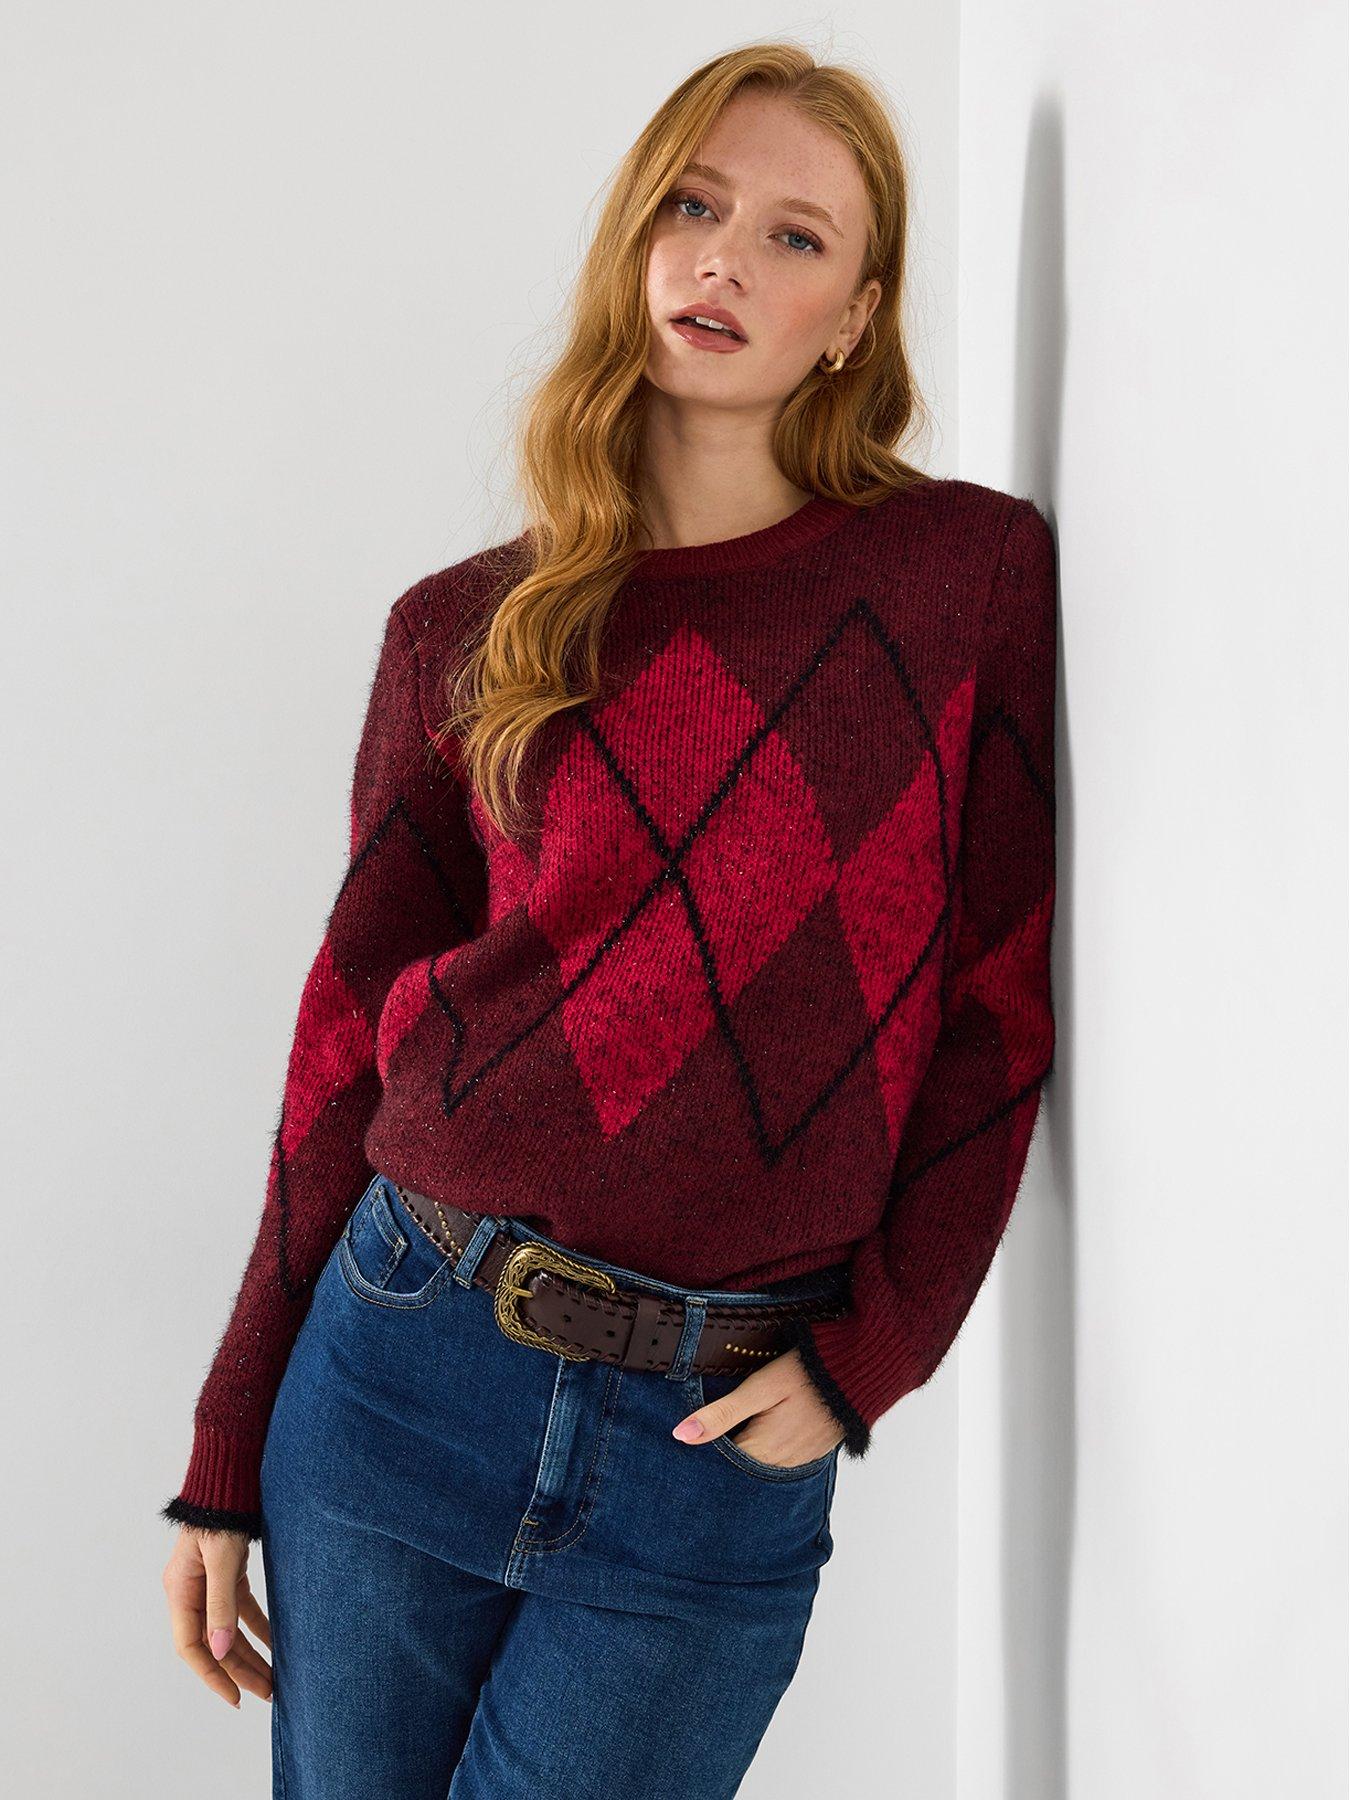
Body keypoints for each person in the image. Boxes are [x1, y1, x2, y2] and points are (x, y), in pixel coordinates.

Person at [160, 41, 1058, 1799]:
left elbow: (998, 1002)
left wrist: (874, 1351)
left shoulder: (962, 582)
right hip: (403, 1359)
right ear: (634, 240)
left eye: (795, 237)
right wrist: (224, 1439)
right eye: (692, 206)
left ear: (855, 318)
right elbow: (346, 1029)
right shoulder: (464, 627)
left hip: (717, 1437)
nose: (725, 259)